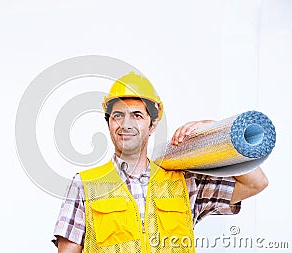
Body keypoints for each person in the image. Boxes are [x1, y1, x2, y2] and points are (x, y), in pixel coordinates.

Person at [52, 72, 268, 253]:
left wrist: (219, 133)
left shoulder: (185, 184)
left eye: (137, 115)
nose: (125, 124)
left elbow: (256, 183)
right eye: (117, 115)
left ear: (152, 124)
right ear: (108, 123)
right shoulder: (86, 185)